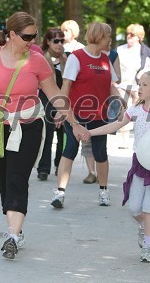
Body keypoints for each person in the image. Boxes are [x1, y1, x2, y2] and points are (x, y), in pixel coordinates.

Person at [0, 12, 90, 260]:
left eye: (34, 36)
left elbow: (55, 94)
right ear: (11, 34)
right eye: (26, 36)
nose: (31, 41)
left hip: (28, 126)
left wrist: (74, 123)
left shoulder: (37, 60)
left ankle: (12, 235)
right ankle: (16, 228)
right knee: (3, 180)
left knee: (16, 177)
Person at [89, 71, 150, 263]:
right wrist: (90, 132)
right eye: (139, 84)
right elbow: (114, 126)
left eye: (144, 85)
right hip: (140, 163)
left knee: (149, 206)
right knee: (134, 208)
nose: (139, 88)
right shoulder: (136, 110)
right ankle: (143, 227)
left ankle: (148, 246)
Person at [51, 22, 121, 208]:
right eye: (108, 36)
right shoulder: (77, 57)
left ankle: (104, 191)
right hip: (75, 115)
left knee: (100, 153)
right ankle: (60, 193)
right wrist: (61, 111)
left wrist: (122, 103)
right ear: (99, 37)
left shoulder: (106, 60)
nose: (110, 40)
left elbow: (111, 86)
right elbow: (66, 85)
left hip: (99, 115)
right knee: (70, 149)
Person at [60, 19, 97, 183]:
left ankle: (92, 172)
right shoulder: (59, 47)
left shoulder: (81, 50)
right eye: (62, 30)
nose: (63, 34)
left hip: (85, 101)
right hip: (67, 99)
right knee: (70, 143)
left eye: (67, 31)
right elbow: (65, 81)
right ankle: (61, 183)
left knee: (88, 140)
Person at [36, 28, 67, 181]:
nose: (60, 44)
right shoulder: (41, 58)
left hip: (63, 97)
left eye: (62, 41)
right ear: (48, 42)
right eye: (56, 41)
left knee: (63, 135)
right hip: (45, 99)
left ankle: (60, 166)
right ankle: (43, 168)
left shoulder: (67, 59)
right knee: (47, 135)